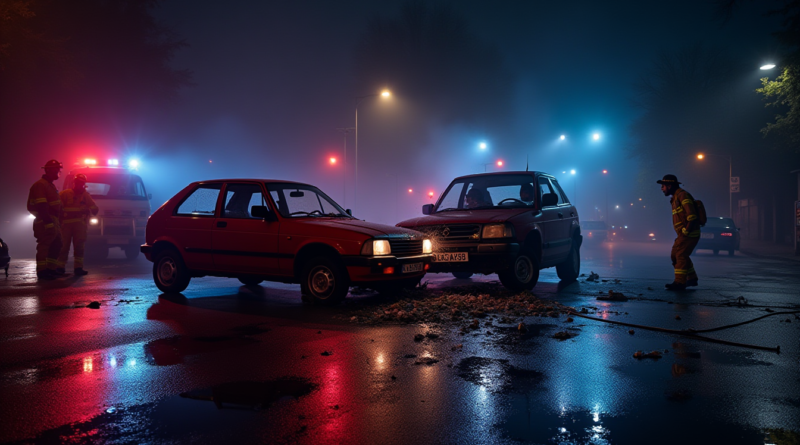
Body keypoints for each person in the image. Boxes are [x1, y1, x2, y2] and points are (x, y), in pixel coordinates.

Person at [658, 174, 700, 290]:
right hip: (683, 234)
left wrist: (687, 231)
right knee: (675, 256)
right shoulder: (676, 197)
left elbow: (692, 216)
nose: (662, 188)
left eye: (663, 186)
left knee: (680, 255)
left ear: (670, 185)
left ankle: (680, 283)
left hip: (689, 233)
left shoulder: (683, 196)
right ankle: (691, 278)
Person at [27, 160, 64, 280]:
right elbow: (41, 206)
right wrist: (47, 222)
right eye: (56, 170)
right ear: (48, 170)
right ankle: (42, 271)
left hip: (53, 219)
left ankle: (51, 269)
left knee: (57, 244)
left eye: (59, 170)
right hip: (45, 219)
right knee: (44, 245)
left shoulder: (50, 185)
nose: (58, 172)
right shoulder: (40, 185)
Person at [56, 174, 99, 276]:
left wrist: (89, 205)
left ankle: (78, 268)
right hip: (65, 225)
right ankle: (60, 267)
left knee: (79, 247)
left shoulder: (85, 195)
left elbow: (95, 210)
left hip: (80, 225)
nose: (79, 185)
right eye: (77, 182)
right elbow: (57, 208)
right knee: (63, 247)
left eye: (81, 183)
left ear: (84, 184)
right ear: (74, 183)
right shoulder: (64, 194)